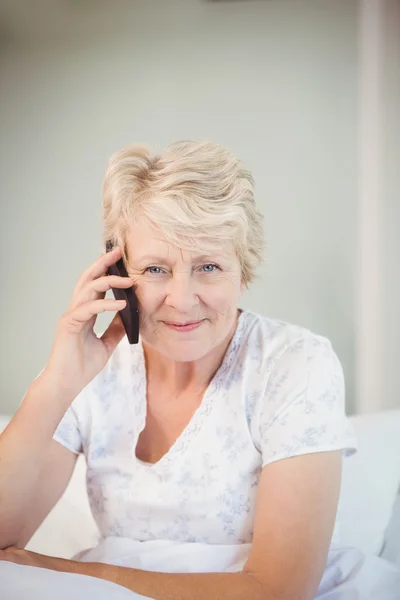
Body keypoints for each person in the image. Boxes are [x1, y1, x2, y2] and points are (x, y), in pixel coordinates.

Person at [1, 140, 399, 600]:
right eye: (155, 269)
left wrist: (68, 572)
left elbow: (278, 590)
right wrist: (58, 383)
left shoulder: (295, 364)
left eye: (208, 266)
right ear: (118, 270)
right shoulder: (92, 372)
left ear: (243, 271)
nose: (183, 299)